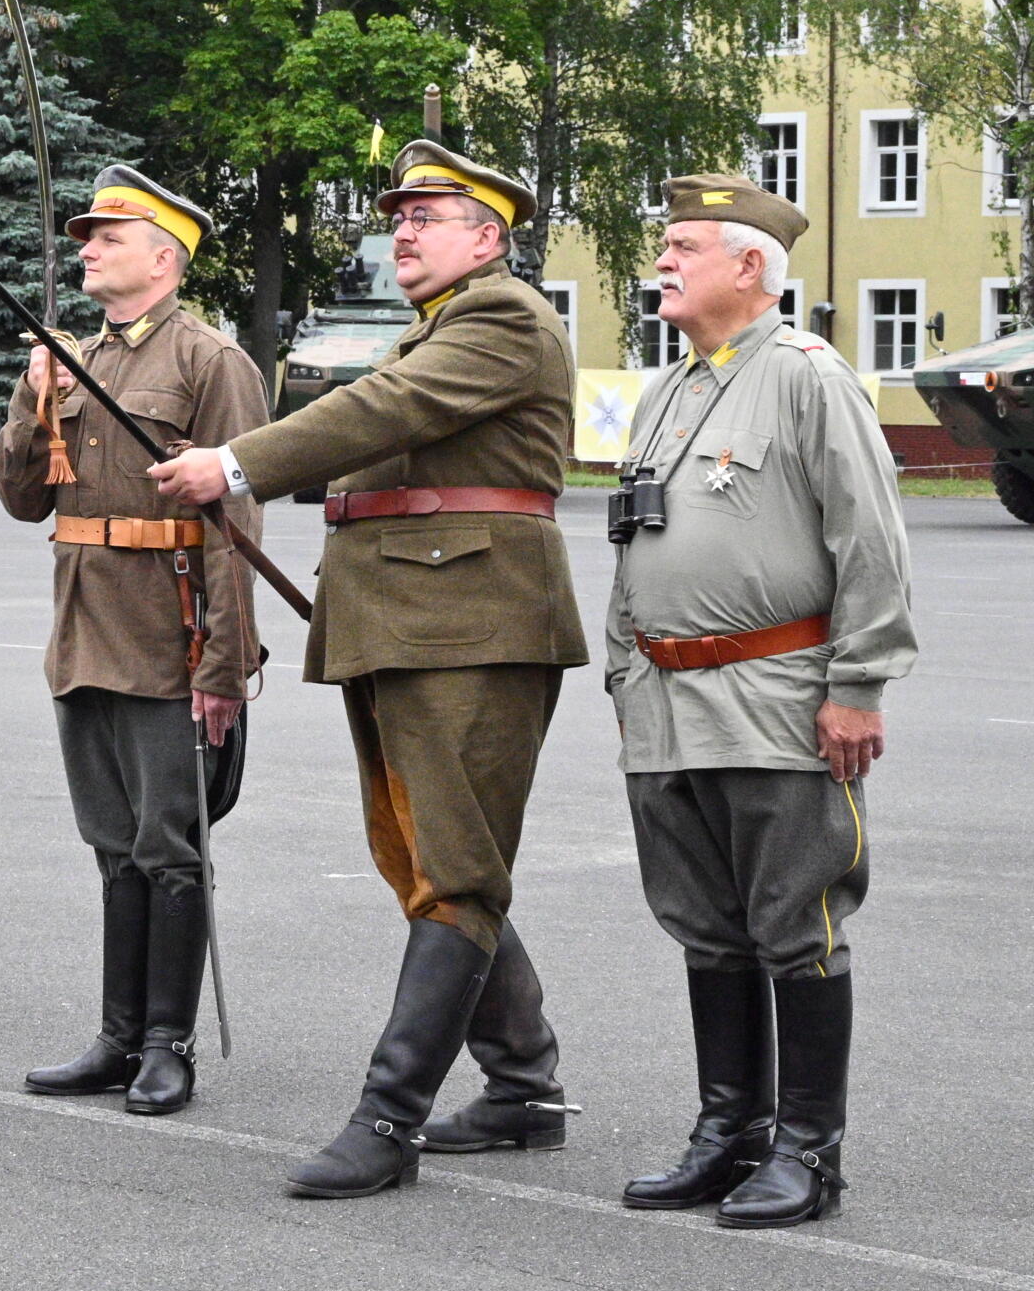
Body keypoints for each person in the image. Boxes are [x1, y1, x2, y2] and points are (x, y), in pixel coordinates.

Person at [153, 140, 588, 1197]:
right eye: (396, 215)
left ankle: (388, 1116)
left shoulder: (503, 317)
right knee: (426, 860)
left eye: (426, 215)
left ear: (487, 238)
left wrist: (236, 461)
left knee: (455, 868)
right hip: (410, 618)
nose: (401, 230)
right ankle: (524, 1083)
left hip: (469, 625)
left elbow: (379, 414)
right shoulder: (436, 327)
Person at [602, 176, 915, 1229]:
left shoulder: (806, 377)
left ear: (749, 267)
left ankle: (808, 1150)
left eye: (683, 244)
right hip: (667, 700)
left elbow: (870, 541)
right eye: (663, 244)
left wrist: (857, 684)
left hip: (775, 696)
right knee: (706, 924)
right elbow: (632, 538)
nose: (662, 260)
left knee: (795, 921)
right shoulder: (668, 389)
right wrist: (623, 672)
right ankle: (729, 1130)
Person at [0, 167, 267, 1115]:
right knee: (113, 843)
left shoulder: (210, 361)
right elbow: (23, 499)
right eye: (86, 236)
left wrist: (226, 662)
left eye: (110, 236)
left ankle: (166, 1043)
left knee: (169, 846)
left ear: (164, 258)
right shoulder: (74, 362)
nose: (89, 248)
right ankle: (117, 1037)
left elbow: (237, 524)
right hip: (83, 636)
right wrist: (34, 402)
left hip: (167, 637)